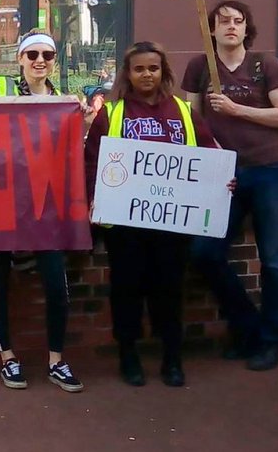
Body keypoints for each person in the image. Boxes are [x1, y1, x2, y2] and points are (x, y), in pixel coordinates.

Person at [85, 42, 221, 387]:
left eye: (153, 68)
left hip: (172, 223)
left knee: (169, 289)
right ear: (128, 74)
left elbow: (209, 155)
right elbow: (91, 162)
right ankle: (128, 356)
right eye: (140, 69)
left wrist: (222, 181)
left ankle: (172, 358)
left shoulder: (183, 111)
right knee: (126, 289)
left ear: (163, 72)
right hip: (124, 223)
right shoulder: (111, 113)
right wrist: (93, 199)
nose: (147, 74)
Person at [0, 29, 83, 392]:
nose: (40, 61)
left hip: (45, 206)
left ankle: (56, 361)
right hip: (0, 201)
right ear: (20, 59)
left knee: (56, 284)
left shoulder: (64, 102)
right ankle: (8, 358)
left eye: (47, 55)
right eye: (32, 55)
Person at [181, 0, 278, 371]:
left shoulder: (265, 65)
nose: (231, 26)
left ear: (247, 28)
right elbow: (193, 123)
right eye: (223, 21)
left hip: (269, 171)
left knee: (274, 261)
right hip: (224, 175)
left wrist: (236, 109)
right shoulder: (200, 67)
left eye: (238, 20)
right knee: (204, 253)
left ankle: (271, 342)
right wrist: (209, 161)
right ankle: (249, 329)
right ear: (211, 29)